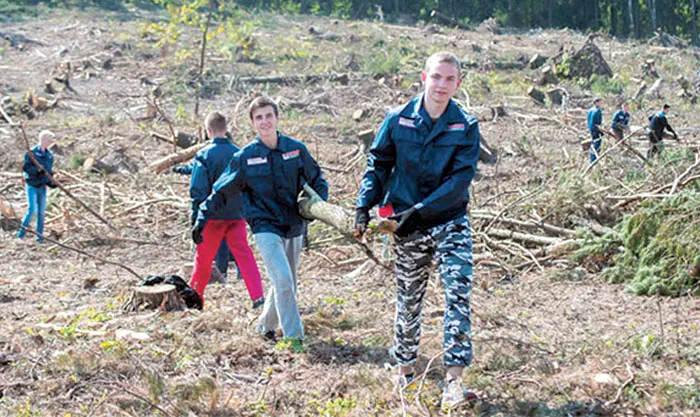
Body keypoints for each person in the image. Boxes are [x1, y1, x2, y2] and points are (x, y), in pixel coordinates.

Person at [354, 51, 480, 409]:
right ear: (424, 78)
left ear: (458, 84)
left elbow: (459, 180)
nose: (442, 85)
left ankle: (453, 383)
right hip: (406, 229)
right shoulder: (397, 119)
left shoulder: (465, 126)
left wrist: (420, 211)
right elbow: (378, 164)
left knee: (458, 291)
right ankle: (404, 371)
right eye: (436, 77)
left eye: (449, 79)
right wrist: (364, 204)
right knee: (409, 298)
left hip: (449, 221)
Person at [194, 96, 328, 343]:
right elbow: (222, 190)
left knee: (287, 283)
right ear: (252, 124)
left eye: (268, 116)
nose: (265, 121)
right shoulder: (244, 158)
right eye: (259, 118)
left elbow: (317, 179)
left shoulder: (295, 149)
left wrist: (319, 205)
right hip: (264, 227)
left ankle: (265, 325)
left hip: (294, 224)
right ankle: (294, 338)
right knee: (284, 281)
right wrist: (201, 217)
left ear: (277, 118)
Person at [188, 111, 264, 308]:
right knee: (245, 256)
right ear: (226, 128)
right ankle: (258, 296)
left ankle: (196, 300)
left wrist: (196, 219)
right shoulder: (239, 153)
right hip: (236, 215)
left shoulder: (203, 155)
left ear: (208, 130)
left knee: (203, 260)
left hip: (211, 217)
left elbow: (197, 190)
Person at [172, 161, 241, 282]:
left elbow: (197, 173)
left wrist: (196, 213)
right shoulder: (235, 154)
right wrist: (179, 169)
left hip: (215, 205)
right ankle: (240, 273)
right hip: (233, 205)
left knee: (222, 242)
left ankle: (222, 272)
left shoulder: (206, 157)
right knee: (236, 242)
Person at [17, 130, 57, 242]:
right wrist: (38, 170)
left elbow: (48, 173)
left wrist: (52, 183)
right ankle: (20, 235)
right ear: (43, 139)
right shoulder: (32, 153)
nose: (51, 142)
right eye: (50, 139)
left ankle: (40, 238)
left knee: (41, 213)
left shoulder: (49, 156)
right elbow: (26, 168)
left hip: (42, 187)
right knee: (32, 210)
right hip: (32, 185)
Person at [587, 98, 604, 163]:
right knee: (597, 143)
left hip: (591, 129)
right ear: (596, 103)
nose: (601, 104)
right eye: (600, 103)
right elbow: (598, 123)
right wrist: (601, 131)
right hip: (596, 130)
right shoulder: (597, 111)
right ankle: (593, 159)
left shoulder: (590, 110)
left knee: (593, 142)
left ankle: (592, 158)